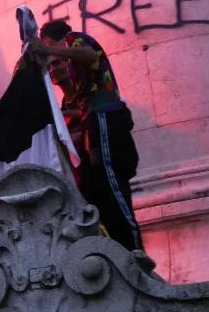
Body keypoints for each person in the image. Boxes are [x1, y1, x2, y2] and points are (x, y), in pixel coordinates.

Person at [28, 20, 142, 251]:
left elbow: (89, 55)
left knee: (111, 184)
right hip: (95, 119)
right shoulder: (74, 90)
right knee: (101, 186)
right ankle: (122, 247)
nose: (55, 65)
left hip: (102, 116)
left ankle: (133, 248)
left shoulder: (74, 39)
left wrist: (47, 49)